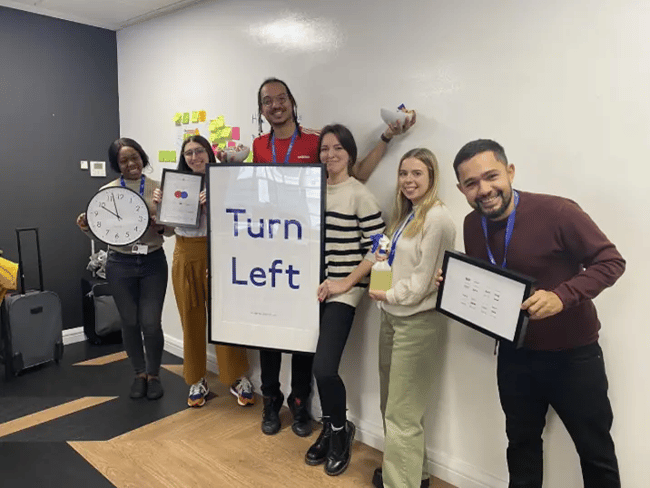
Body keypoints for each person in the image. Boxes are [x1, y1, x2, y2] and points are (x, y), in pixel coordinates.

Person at [450, 139, 624, 488]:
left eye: (491, 176)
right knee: (521, 448)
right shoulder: (472, 225)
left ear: (510, 172)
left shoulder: (558, 212)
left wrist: (563, 296)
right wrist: (454, 286)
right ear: (461, 189)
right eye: (471, 183)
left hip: (574, 357)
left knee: (596, 454)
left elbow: (612, 261)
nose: (484, 190)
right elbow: (493, 282)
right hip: (515, 358)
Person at [253, 77, 416, 438]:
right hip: (288, 265)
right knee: (272, 335)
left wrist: (387, 137)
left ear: (293, 101)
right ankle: (275, 403)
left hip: (335, 284)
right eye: (267, 101)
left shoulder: (314, 142)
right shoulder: (258, 146)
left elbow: (354, 178)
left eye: (282, 99)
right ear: (261, 108)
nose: (276, 105)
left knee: (311, 354)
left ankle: (303, 409)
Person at [369, 148, 456, 488]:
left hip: (417, 322)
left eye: (417, 173)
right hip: (391, 317)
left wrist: (387, 294)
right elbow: (399, 264)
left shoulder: (437, 219)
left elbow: (422, 283)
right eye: (404, 173)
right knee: (394, 405)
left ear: (431, 177)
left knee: (402, 414)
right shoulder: (407, 215)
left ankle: (398, 483)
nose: (408, 180)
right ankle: (413, 474)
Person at [303, 124, 385, 476]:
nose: (330, 155)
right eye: (324, 149)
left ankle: (340, 431)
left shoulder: (359, 194)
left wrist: (347, 282)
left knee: (324, 367)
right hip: (312, 289)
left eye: (338, 148)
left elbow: (381, 247)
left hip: (345, 292)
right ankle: (329, 425)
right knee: (313, 365)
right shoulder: (312, 191)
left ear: (350, 154)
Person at [153, 135, 255, 408]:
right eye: (189, 153)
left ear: (209, 154)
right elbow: (169, 230)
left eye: (199, 151)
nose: (195, 157)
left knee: (225, 318)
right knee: (191, 316)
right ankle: (196, 378)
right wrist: (162, 211)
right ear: (183, 158)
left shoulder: (225, 182)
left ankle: (235, 376)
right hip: (186, 252)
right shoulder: (176, 185)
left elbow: (241, 218)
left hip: (220, 251)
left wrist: (215, 201)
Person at [76, 138, 172, 400]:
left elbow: (172, 230)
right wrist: (86, 226)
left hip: (153, 261)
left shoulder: (158, 189)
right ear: (116, 165)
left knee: (151, 323)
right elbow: (104, 232)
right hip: (120, 263)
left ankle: (154, 376)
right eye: (124, 160)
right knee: (129, 322)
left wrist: (160, 225)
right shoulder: (106, 193)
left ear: (142, 157)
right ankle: (139, 374)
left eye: (135, 157)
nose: (131, 164)